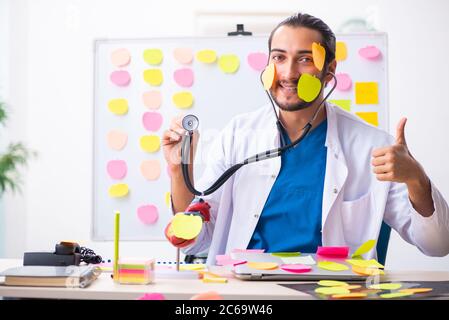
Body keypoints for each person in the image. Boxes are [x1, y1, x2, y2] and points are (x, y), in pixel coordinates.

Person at [162, 12, 449, 264]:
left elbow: (438, 245)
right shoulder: (238, 135)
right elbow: (200, 240)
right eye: (279, 57)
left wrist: (416, 179)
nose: (288, 73)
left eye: (306, 59)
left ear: (330, 71)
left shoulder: (372, 145)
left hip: (330, 292)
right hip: (248, 293)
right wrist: (178, 170)